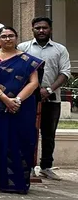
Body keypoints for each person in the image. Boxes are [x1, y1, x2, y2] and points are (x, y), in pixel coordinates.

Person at [0, 26, 42, 194]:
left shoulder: (29, 60)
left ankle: (17, 182)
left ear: (16, 37)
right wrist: (5, 99)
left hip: (22, 107)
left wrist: (16, 100)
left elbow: (33, 83)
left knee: (21, 140)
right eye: (4, 36)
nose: (7, 39)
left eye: (11, 36)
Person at [20, 17, 70, 180]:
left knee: (49, 134)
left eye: (44, 28)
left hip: (51, 98)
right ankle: (28, 166)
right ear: (32, 29)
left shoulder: (60, 49)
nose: (41, 31)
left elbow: (65, 72)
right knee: (28, 132)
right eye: (37, 28)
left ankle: (46, 166)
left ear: (50, 29)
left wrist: (49, 89)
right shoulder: (23, 47)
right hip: (28, 98)